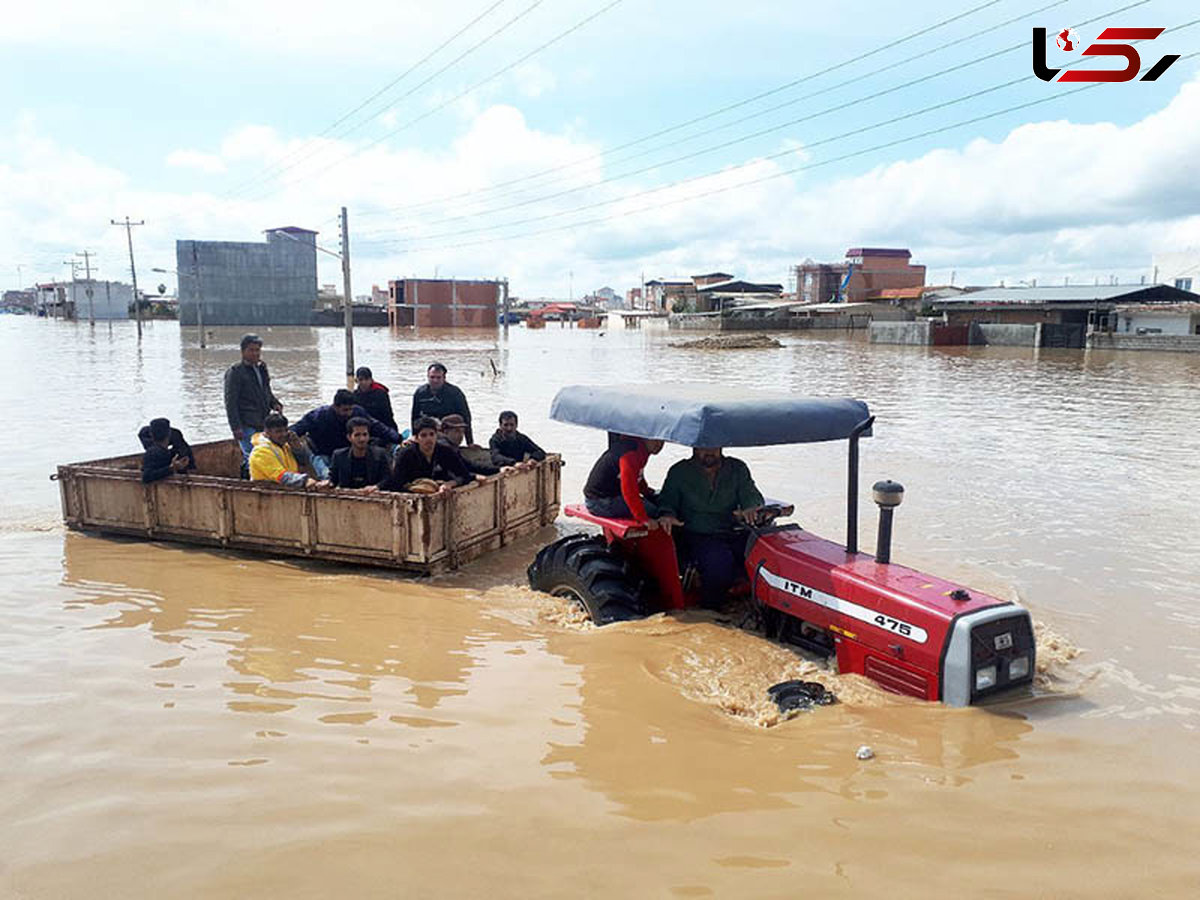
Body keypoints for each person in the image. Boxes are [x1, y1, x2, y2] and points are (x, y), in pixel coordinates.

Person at [657, 447, 765, 609]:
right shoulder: (679, 472)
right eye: (704, 447)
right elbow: (666, 502)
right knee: (719, 565)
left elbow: (752, 496)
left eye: (714, 446)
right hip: (696, 533)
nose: (709, 451)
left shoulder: (737, 468)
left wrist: (751, 508)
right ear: (694, 448)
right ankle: (710, 611)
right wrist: (667, 515)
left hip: (732, 530)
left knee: (763, 555)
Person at [292, 389, 402, 480]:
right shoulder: (318, 416)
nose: (349, 413)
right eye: (345, 410)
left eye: (350, 409)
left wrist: (398, 438)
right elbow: (297, 429)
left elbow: (376, 426)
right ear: (335, 406)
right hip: (323, 452)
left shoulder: (357, 412)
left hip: (346, 453)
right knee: (326, 476)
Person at [582, 434, 670, 528]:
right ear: (644, 437)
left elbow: (637, 476)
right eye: (655, 440)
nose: (659, 445)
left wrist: (647, 493)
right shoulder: (630, 453)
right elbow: (629, 490)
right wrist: (644, 519)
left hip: (610, 495)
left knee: (656, 498)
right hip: (599, 501)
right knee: (653, 511)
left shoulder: (640, 449)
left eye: (662, 441)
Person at [224, 333, 282, 470]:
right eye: (251, 350)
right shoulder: (235, 372)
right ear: (243, 351)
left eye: (258, 350)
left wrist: (274, 403)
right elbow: (230, 402)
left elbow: (266, 391)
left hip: (262, 421)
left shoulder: (261, 369)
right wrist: (235, 427)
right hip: (246, 423)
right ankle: (248, 483)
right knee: (252, 457)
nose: (255, 353)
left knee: (264, 455)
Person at [388, 416, 471, 494]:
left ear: (436, 436)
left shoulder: (445, 451)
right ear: (416, 438)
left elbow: (464, 475)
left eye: (432, 434)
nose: (429, 439)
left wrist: (450, 484)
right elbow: (396, 483)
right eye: (423, 435)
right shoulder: (406, 454)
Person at [249, 413, 325, 489]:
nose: (284, 434)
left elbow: (304, 462)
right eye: (278, 431)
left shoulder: (285, 446)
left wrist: (297, 448)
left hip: (286, 488)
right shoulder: (261, 452)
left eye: (286, 430)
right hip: (267, 492)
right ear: (267, 432)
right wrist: (305, 481)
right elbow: (281, 476)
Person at [411, 362, 473, 444]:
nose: (435, 380)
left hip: (449, 431)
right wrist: (414, 436)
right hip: (427, 429)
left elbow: (466, 418)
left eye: (438, 377)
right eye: (432, 377)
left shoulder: (455, 393)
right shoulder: (420, 393)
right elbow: (414, 417)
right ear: (428, 377)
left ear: (444, 378)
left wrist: (470, 442)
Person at [329, 417, 392, 491]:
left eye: (365, 434)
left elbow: (388, 478)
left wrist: (376, 487)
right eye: (357, 435)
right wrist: (326, 483)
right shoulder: (339, 456)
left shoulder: (380, 454)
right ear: (349, 437)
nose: (362, 439)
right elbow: (333, 479)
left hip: (372, 496)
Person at [142, 418, 192, 484]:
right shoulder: (154, 453)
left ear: (151, 435)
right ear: (169, 433)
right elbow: (146, 477)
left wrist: (177, 466)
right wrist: (171, 468)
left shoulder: (164, 452)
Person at [353, 366, 398, 432]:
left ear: (371, 380)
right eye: (361, 380)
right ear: (356, 381)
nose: (364, 382)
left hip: (383, 425)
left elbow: (388, 415)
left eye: (366, 379)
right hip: (363, 427)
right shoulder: (355, 395)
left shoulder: (380, 394)